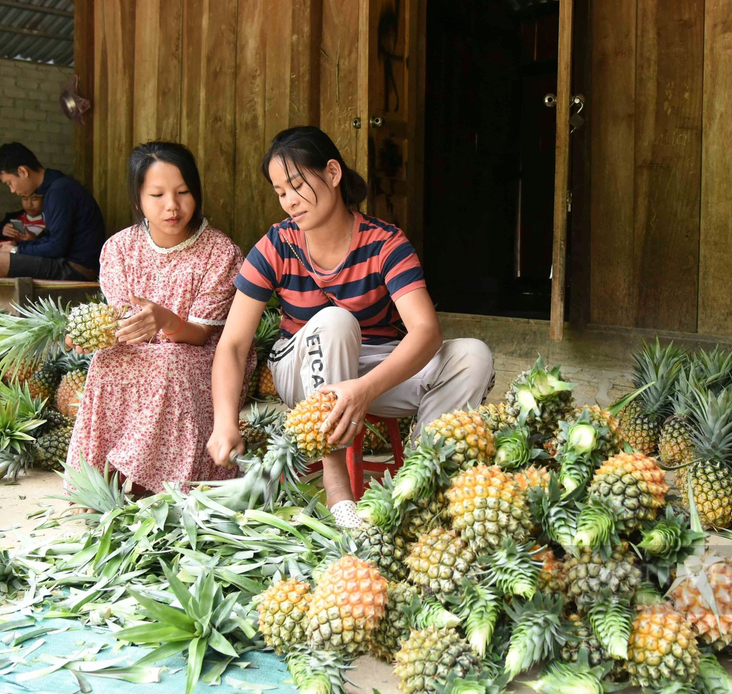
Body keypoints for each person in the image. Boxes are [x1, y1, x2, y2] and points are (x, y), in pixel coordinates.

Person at [208, 126, 495, 528]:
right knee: (335, 321)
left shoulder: (385, 244)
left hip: (374, 373)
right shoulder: (277, 245)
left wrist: (365, 388)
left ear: (332, 173)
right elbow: (234, 344)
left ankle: (418, 481)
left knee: (472, 356)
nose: (289, 201)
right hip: (303, 369)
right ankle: (336, 481)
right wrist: (224, 421)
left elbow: (426, 331)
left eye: (296, 185)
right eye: (279, 192)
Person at [65, 141, 255, 493]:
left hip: (202, 354)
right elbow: (119, 321)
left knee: (169, 362)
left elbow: (202, 334)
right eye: (157, 195)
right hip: (141, 350)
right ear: (138, 200)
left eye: (183, 192)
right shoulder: (119, 249)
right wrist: (86, 335)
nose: (172, 205)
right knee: (105, 363)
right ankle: (98, 480)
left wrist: (167, 320)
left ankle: (151, 483)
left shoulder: (220, 252)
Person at [0, 142, 105, 281]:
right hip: (64, 262)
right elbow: (53, 240)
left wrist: (15, 250)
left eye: (10, 183)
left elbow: (57, 247)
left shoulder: (59, 191)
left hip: (76, 269)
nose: (12, 190)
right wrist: (15, 245)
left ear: (23, 171)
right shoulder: (53, 188)